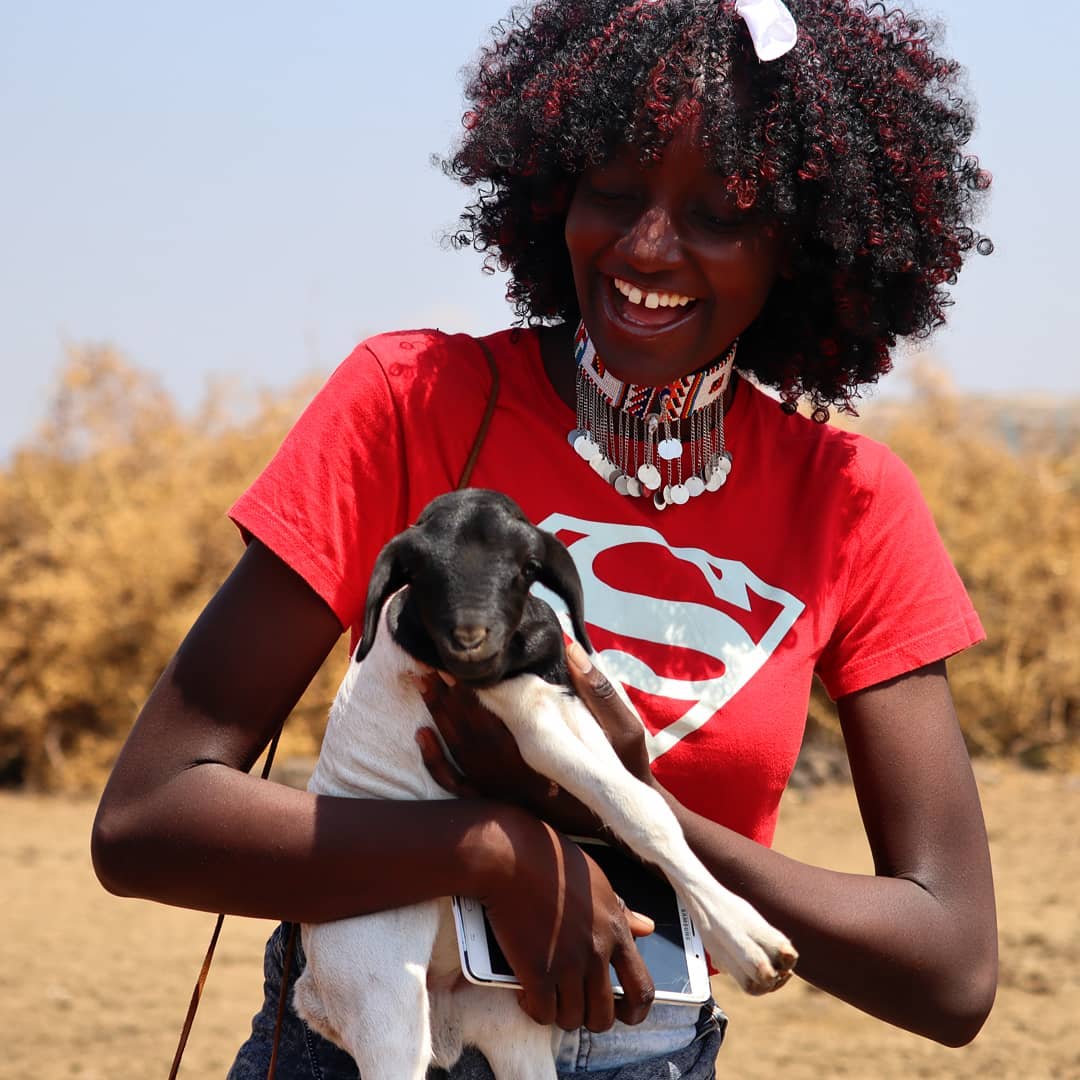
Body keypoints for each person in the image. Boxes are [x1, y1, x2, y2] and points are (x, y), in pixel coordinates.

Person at [91, 1, 998, 1076]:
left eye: (720, 212)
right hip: (365, 1037)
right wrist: (493, 850)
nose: (647, 246)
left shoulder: (850, 501)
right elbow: (149, 817)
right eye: (613, 191)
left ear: (805, 245)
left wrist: (615, 822)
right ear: (554, 185)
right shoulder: (412, 400)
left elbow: (950, 970)